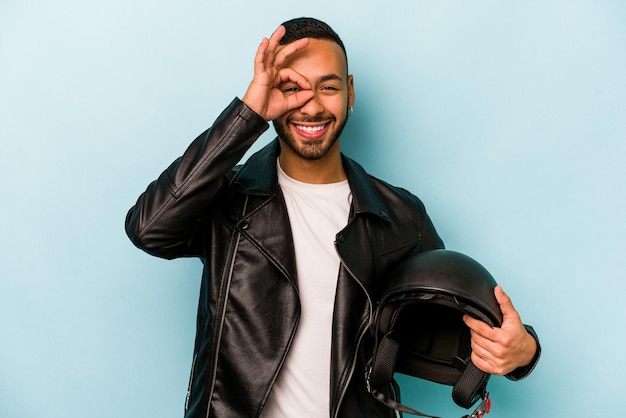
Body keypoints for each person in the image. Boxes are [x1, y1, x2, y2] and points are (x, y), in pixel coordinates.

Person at [125, 17, 540, 418]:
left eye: (328, 87)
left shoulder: (399, 215)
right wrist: (248, 114)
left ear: (350, 92)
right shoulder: (226, 199)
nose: (311, 105)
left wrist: (523, 352)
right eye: (291, 88)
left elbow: (446, 329)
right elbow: (149, 228)